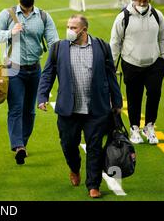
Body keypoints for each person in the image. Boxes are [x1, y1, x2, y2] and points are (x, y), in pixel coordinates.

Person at [38, 14, 123, 199]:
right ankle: (74, 168)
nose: (69, 30)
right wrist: (42, 96)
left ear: (84, 30)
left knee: (95, 147)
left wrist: (117, 101)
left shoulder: (101, 47)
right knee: (68, 145)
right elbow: (47, 74)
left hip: (96, 109)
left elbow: (111, 75)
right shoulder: (58, 48)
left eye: (74, 28)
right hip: (69, 110)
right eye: (68, 26)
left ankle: (93, 185)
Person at [0, 0, 59, 165]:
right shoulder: (7, 14)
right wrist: (10, 32)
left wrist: (57, 62)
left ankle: (23, 143)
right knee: (16, 108)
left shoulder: (44, 17)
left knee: (30, 111)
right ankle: (18, 146)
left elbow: (54, 42)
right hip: (12, 68)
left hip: (35, 69)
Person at [110, 0, 164, 145]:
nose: (142, 3)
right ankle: (134, 128)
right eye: (140, 0)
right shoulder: (123, 17)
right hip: (131, 64)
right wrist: (111, 65)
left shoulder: (157, 15)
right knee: (134, 97)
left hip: (154, 63)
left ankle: (149, 126)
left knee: (154, 94)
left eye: (145, 0)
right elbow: (115, 42)